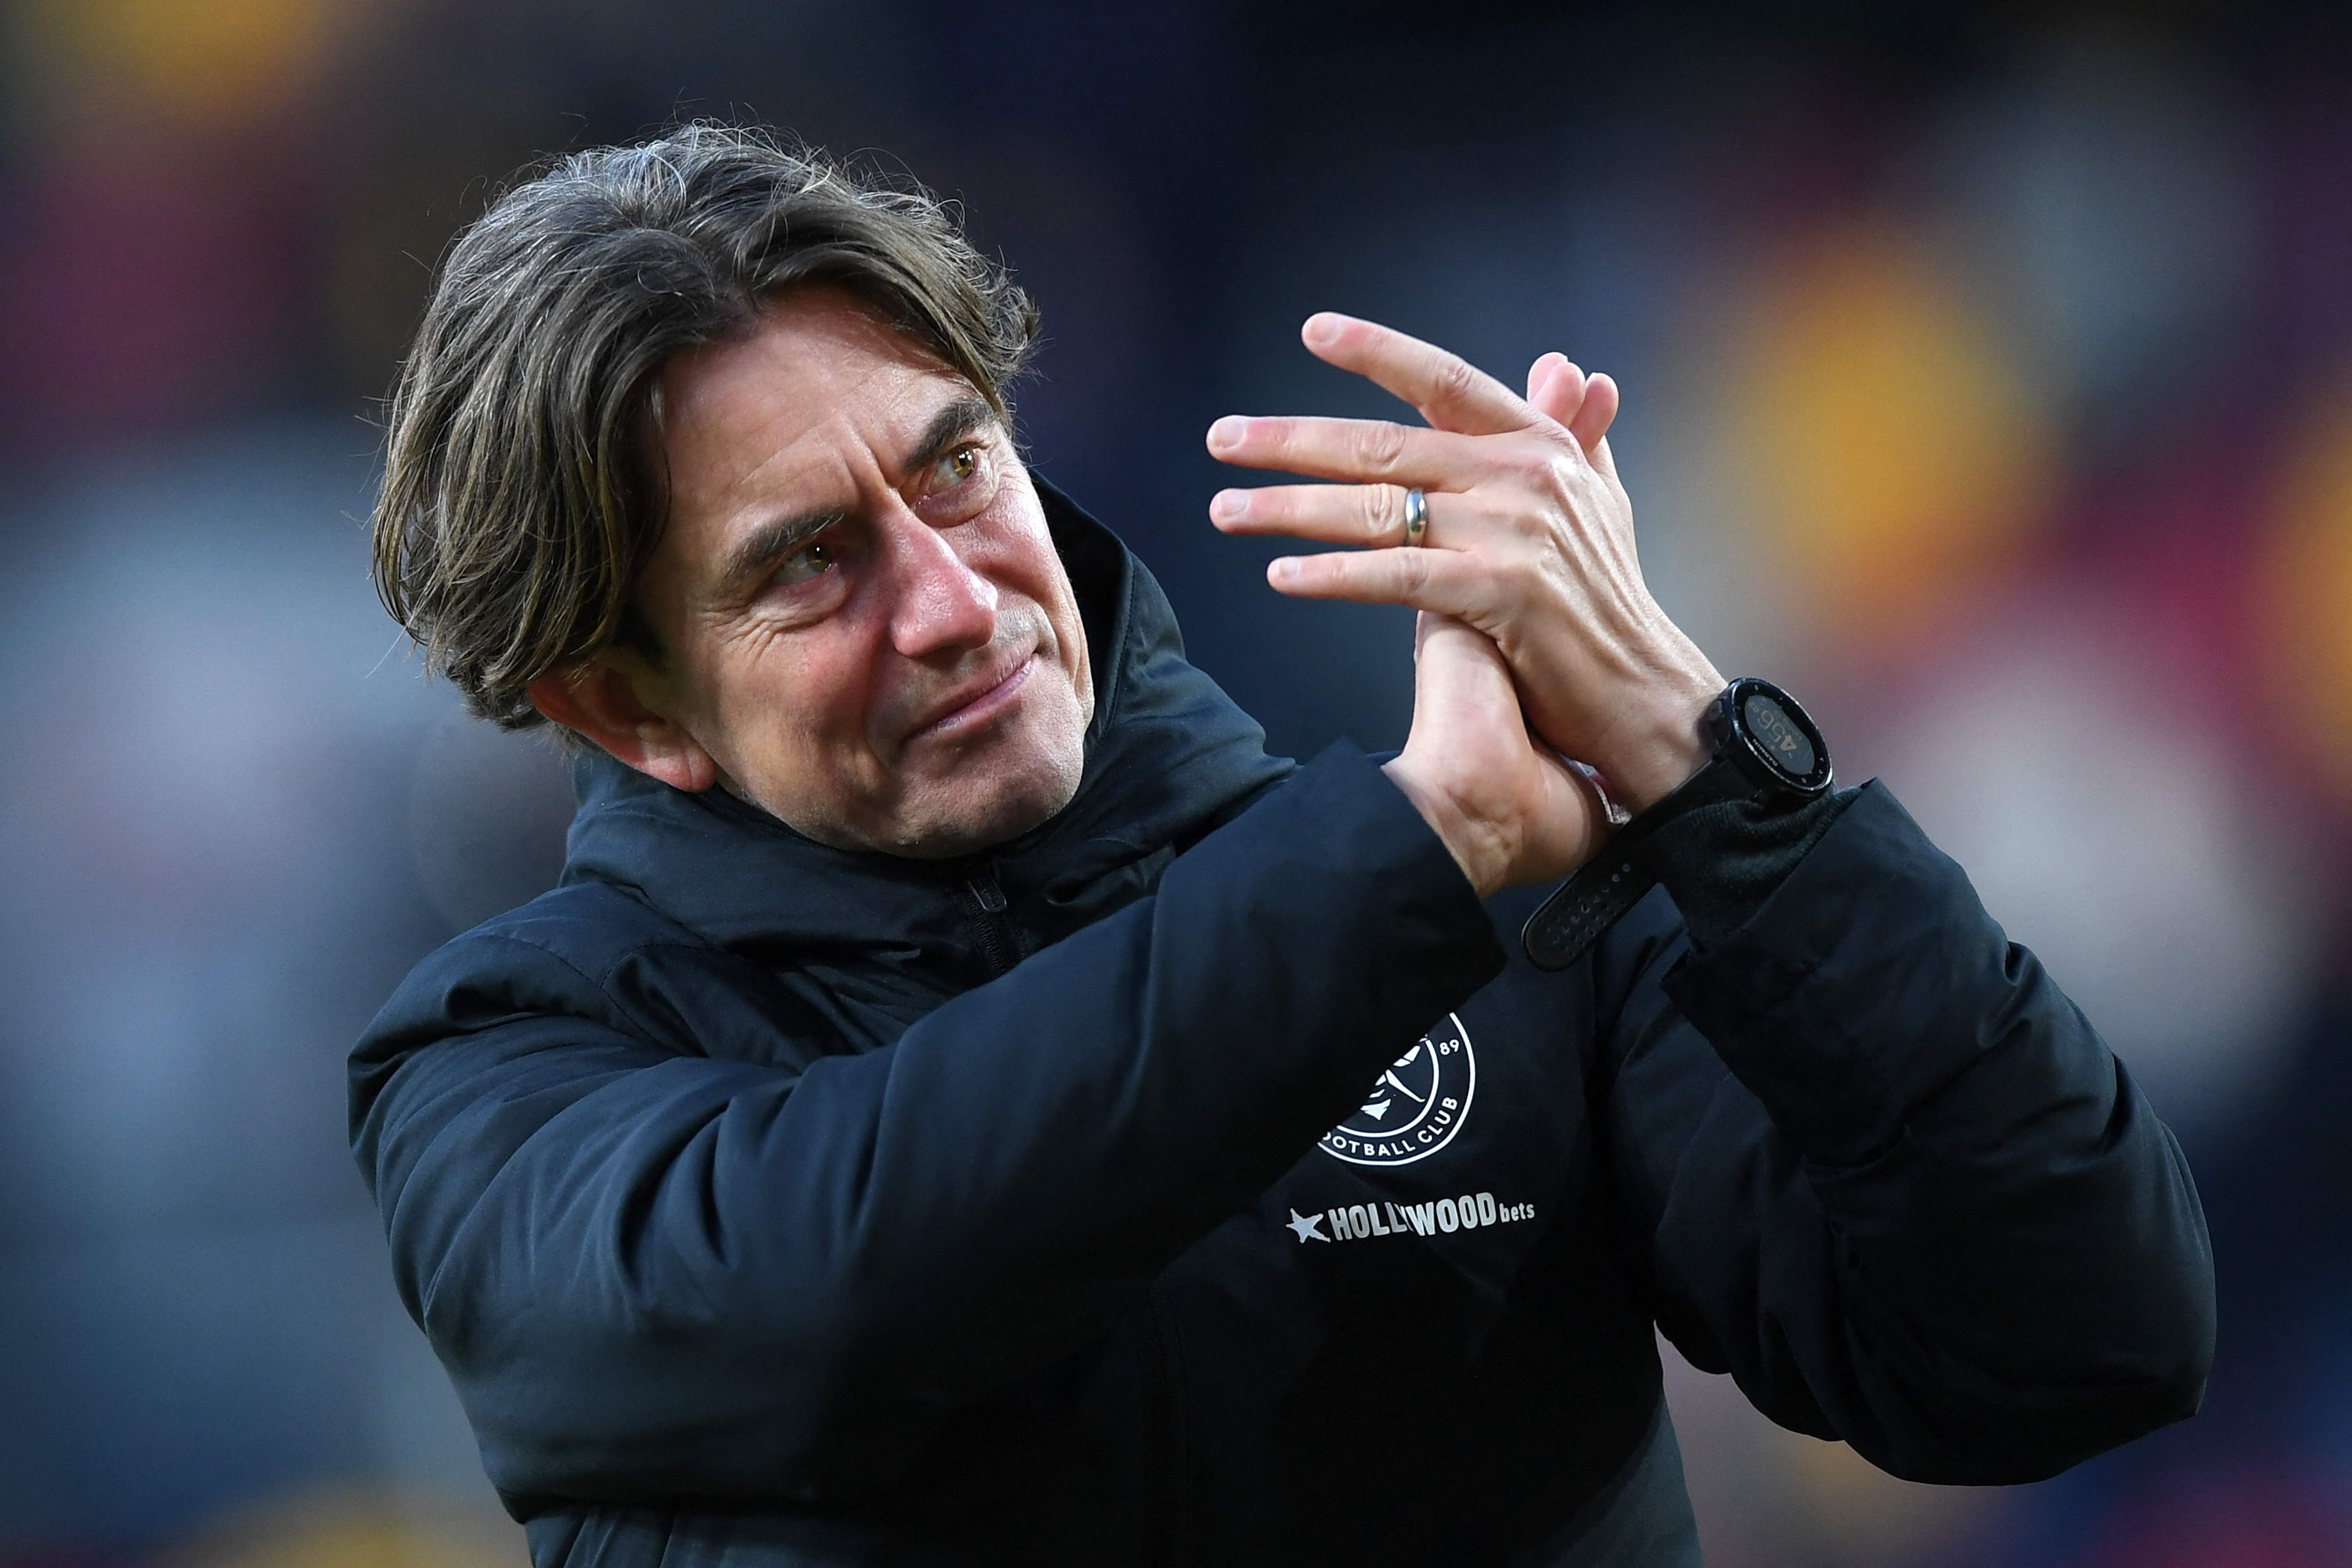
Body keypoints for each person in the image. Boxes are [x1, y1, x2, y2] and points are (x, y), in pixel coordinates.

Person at [352, 123, 2213, 1568]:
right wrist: (1415, 857)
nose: (950, 602)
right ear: (627, 707)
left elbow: (2076, 1333)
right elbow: (826, 1294)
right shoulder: (505, 1068)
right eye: (804, 564)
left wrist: (1716, 775)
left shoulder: (1498, 895)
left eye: (955, 470)